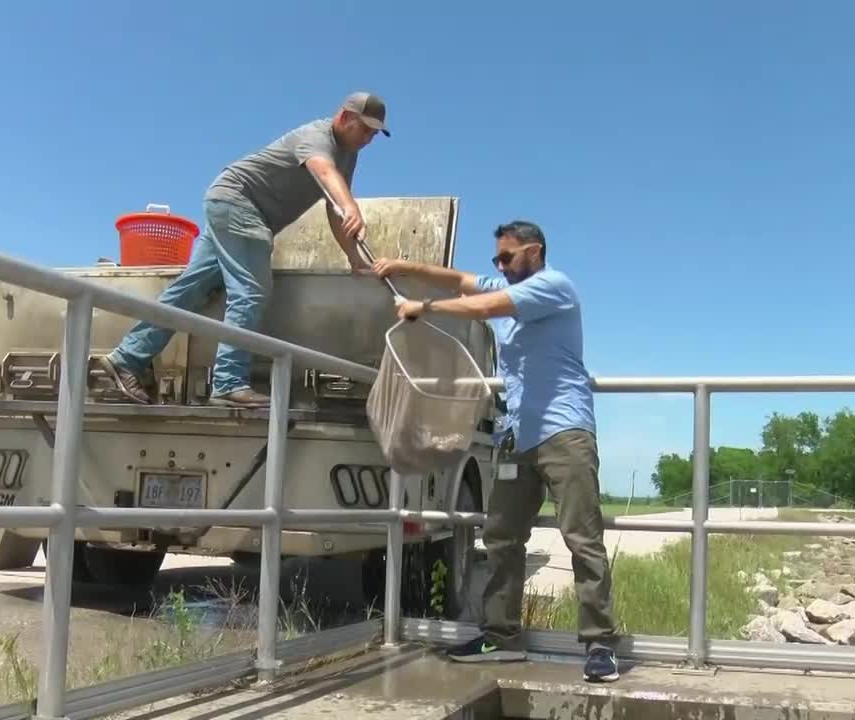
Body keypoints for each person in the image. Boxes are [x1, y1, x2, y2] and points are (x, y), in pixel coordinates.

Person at [371, 220, 620, 683]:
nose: (499, 267)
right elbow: (459, 280)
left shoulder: (552, 287)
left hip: (564, 430)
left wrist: (421, 308)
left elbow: (484, 305)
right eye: (496, 260)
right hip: (516, 434)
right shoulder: (506, 282)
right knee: (502, 537)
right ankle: (501, 636)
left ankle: (600, 643)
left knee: (582, 537)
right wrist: (401, 266)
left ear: (535, 251)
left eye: (507, 258)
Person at [98, 91, 390, 407]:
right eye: (365, 129)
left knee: (190, 289)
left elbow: (334, 208)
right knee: (251, 292)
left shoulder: (348, 154)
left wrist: (353, 257)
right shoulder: (317, 137)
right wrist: (352, 206)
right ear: (344, 117)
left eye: (375, 134)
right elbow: (324, 172)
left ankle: (126, 358)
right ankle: (227, 383)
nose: (369, 139)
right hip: (240, 203)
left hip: (227, 203)